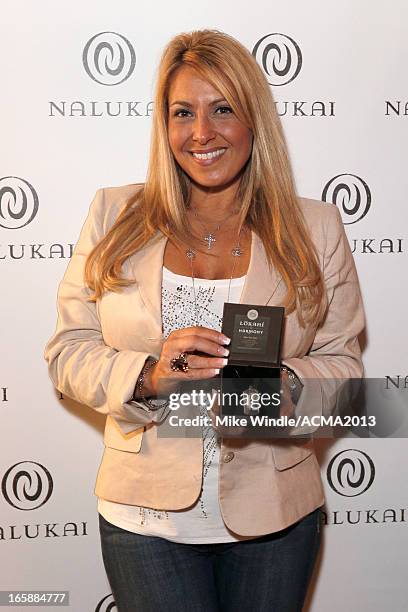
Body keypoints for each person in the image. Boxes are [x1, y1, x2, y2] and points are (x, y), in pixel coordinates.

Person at [44, 29, 365, 612]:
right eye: (182, 112)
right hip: (145, 523)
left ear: (253, 121)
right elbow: (68, 351)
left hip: (274, 519)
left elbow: (345, 367)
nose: (201, 133)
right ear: (163, 126)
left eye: (222, 110)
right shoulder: (114, 215)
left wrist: (282, 386)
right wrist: (149, 374)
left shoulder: (314, 227)